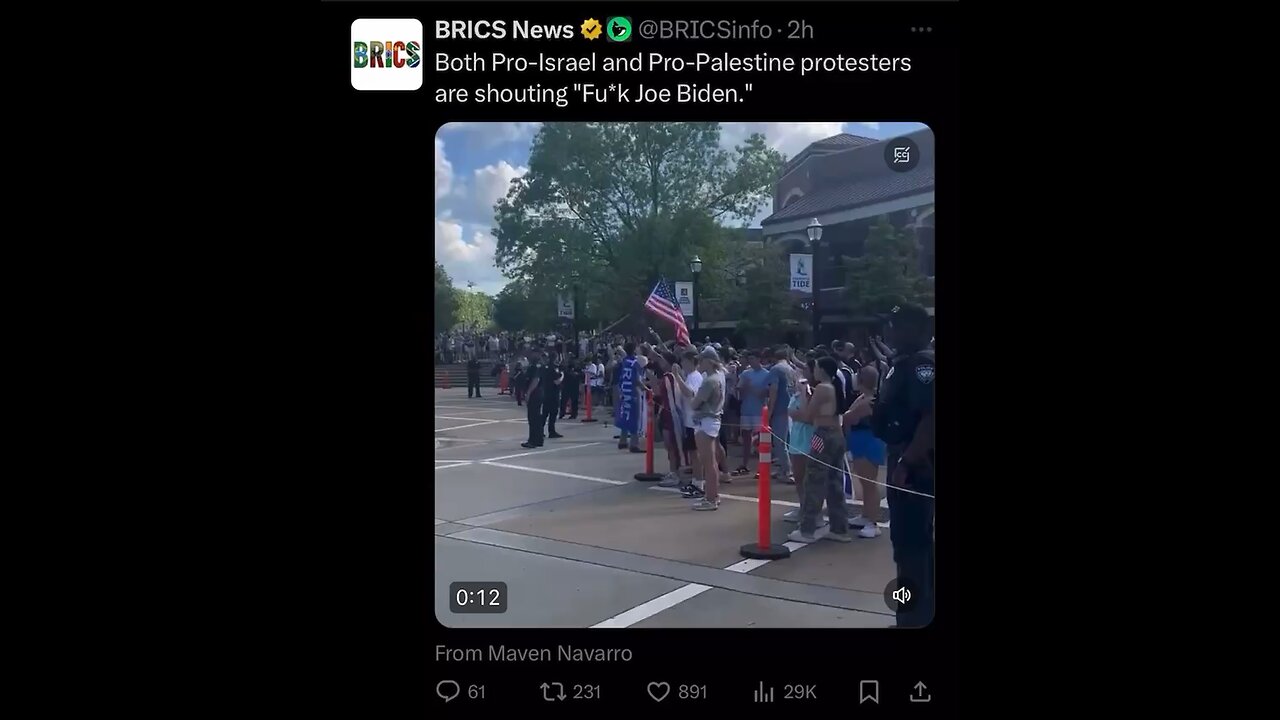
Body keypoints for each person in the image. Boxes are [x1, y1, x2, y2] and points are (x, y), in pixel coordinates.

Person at [871, 303, 935, 627]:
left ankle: (910, 619)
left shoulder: (922, 364)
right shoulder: (904, 362)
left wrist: (907, 463)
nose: (889, 332)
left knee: (909, 547)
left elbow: (930, 417)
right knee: (912, 546)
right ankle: (916, 614)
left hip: (914, 466)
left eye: (895, 326)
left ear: (914, 329)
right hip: (903, 458)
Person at [788, 356, 852, 543]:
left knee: (814, 480)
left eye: (815, 366)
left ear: (822, 370)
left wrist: (802, 393)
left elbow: (808, 415)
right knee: (834, 482)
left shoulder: (823, 388)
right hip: (836, 435)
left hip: (821, 436)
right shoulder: (833, 387)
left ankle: (807, 529)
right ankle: (839, 528)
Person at [844, 365, 885, 539]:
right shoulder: (863, 397)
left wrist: (847, 416)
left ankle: (873, 522)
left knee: (869, 484)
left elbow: (849, 417)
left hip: (869, 441)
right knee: (863, 481)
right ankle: (866, 515)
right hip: (860, 441)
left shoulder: (870, 400)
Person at [688, 347, 727, 511]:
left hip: (706, 421)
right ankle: (712, 496)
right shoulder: (720, 376)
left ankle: (711, 498)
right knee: (710, 462)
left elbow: (694, 403)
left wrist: (693, 398)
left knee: (708, 462)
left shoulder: (710, 380)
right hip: (712, 420)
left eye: (702, 360)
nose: (700, 363)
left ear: (709, 361)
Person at [782, 361, 818, 524]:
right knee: (798, 478)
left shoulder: (813, 395)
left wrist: (804, 394)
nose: (798, 380)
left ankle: (813, 513)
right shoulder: (795, 396)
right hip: (796, 440)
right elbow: (791, 413)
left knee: (809, 479)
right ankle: (803, 507)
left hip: (809, 442)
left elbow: (805, 415)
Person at [734, 352, 770, 478]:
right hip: (746, 410)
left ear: (759, 359)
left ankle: (762, 467)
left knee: (760, 441)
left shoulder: (766, 374)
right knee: (746, 439)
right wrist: (742, 387)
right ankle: (745, 464)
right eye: (749, 359)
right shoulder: (745, 374)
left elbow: (764, 393)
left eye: (753, 359)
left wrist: (750, 387)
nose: (751, 362)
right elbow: (739, 391)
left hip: (759, 411)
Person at [765, 347, 796, 483]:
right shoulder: (791, 369)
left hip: (780, 409)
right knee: (788, 441)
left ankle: (788, 472)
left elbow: (774, 390)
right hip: (791, 408)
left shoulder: (776, 369)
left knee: (780, 442)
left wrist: (769, 410)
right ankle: (784, 469)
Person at [615, 342, 644, 453]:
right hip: (632, 392)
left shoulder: (624, 361)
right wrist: (645, 388)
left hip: (624, 391)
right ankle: (634, 444)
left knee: (625, 415)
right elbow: (637, 380)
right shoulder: (635, 363)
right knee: (634, 418)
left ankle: (622, 441)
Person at [520, 352, 545, 449]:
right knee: (537, 417)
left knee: (533, 417)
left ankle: (533, 440)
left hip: (535, 394)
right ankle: (538, 440)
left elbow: (535, 380)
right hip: (539, 393)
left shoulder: (535, 367)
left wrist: (528, 393)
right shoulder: (539, 366)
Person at [542, 353, 565, 440]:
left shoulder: (546, 367)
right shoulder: (554, 368)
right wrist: (562, 375)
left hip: (546, 393)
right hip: (553, 394)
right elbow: (557, 381)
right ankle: (551, 431)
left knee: (545, 413)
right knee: (552, 413)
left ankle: (541, 431)